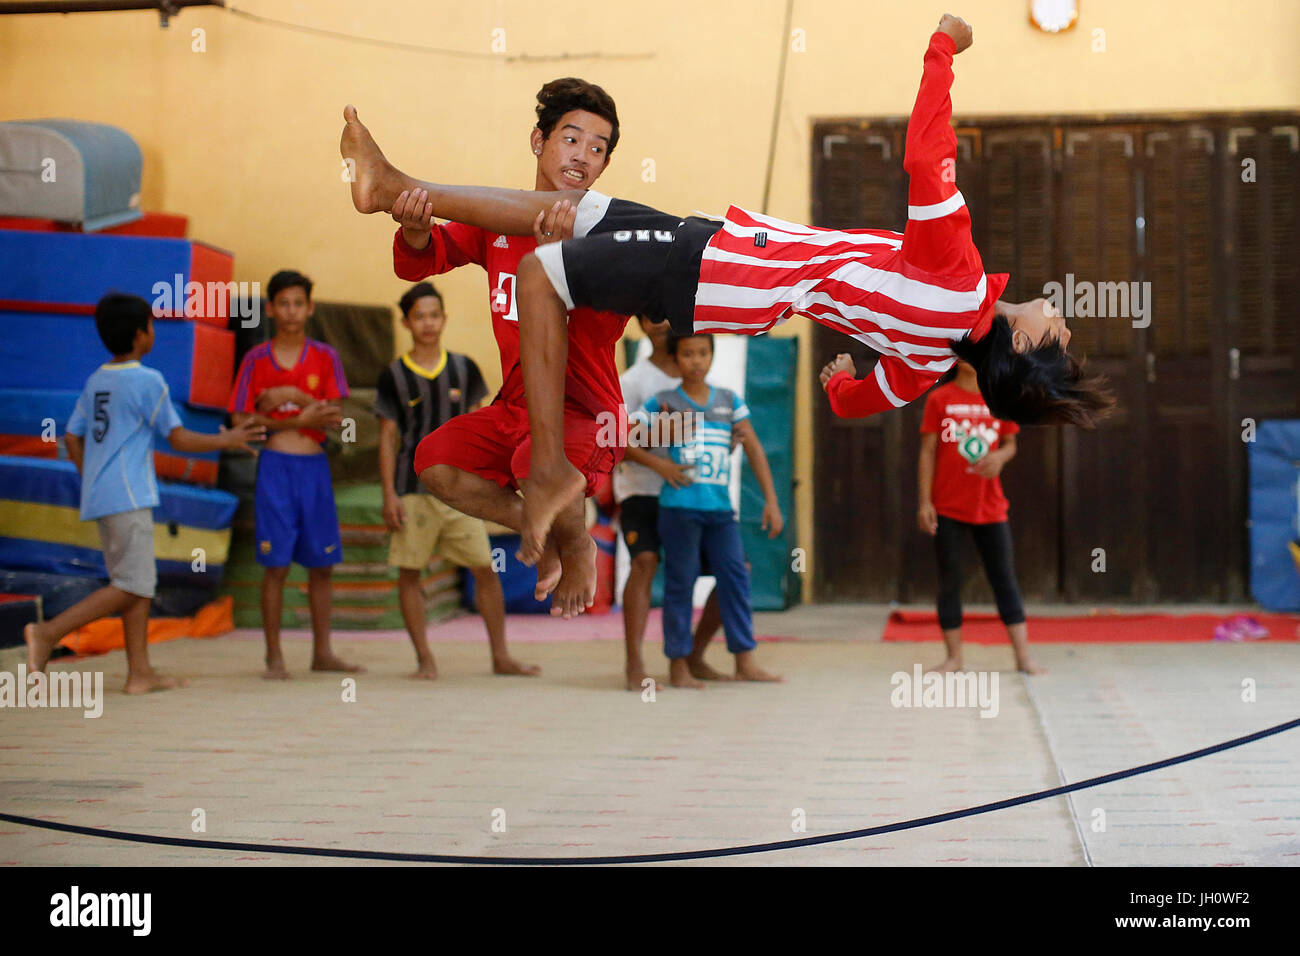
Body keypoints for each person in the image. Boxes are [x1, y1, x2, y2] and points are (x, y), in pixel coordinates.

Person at [339, 12, 1113, 583]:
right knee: (566, 219)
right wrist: (840, 381)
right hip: (731, 263)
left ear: (1021, 342)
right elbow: (858, 399)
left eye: (1062, 339)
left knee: (542, 271)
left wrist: (943, 48)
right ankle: (397, 188)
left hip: (731, 268)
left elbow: (926, 154)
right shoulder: (931, 359)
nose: (1065, 323)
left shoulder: (958, 276)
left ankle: (546, 473)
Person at [389, 78, 628, 621]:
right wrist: (417, 230)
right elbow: (421, 261)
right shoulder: (497, 221)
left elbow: (603, 328)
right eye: (572, 138)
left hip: (585, 413)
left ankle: (578, 544)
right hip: (516, 406)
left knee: (532, 461)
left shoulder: (605, 236)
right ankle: (540, 528)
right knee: (434, 463)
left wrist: (559, 264)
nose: (584, 156)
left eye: (598, 148)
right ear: (537, 141)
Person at [23, 293, 263, 692]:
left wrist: (91, 479)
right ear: (141, 335)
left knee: (134, 580)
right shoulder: (148, 380)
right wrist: (230, 439)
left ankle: (140, 673)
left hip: (102, 496)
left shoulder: (97, 380)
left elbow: (71, 435)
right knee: (132, 584)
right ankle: (48, 632)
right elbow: (180, 439)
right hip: (130, 495)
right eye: (152, 325)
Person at [376, 281, 538, 679]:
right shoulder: (394, 375)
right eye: (419, 317)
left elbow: (485, 429)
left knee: (485, 567)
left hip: (463, 491)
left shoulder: (464, 369)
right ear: (407, 322)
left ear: (443, 319)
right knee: (410, 573)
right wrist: (389, 496)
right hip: (412, 491)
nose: (428, 323)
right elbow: (386, 438)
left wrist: (494, 482)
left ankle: (501, 656)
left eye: (434, 315)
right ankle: (424, 659)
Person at [229, 269, 360, 679]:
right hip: (275, 469)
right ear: (270, 309)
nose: (290, 311)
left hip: (314, 470)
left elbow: (336, 419)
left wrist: (290, 397)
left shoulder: (325, 357)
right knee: (276, 566)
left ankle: (323, 652)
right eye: (282, 303)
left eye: (298, 303)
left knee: (322, 566)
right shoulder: (254, 359)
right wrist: (300, 418)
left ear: (310, 308)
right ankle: (274, 657)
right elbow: (241, 420)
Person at [633, 332, 784, 687]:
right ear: (676, 359)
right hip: (679, 510)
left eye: (703, 353)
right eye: (688, 354)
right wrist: (661, 466)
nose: (696, 361)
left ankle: (744, 660)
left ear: (712, 357)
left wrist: (771, 502)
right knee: (680, 585)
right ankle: (678, 665)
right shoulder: (665, 401)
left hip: (719, 513)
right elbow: (626, 439)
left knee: (735, 577)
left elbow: (755, 449)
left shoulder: (729, 401)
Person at [616, 315, 728, 690]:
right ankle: (634, 663)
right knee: (645, 562)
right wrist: (659, 461)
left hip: (692, 497)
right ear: (639, 325)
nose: (661, 323)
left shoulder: (703, 382)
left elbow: (715, 432)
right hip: (642, 491)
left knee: (733, 570)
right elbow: (618, 441)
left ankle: (692, 655)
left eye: (667, 314)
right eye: (651, 317)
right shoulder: (632, 381)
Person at [918, 359, 1041, 674]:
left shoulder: (999, 396)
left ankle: (1023, 658)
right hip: (947, 506)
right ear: (956, 357)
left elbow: (1011, 443)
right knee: (949, 581)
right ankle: (954, 658)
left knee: (1004, 579)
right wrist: (924, 502)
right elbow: (927, 451)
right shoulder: (939, 399)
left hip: (990, 506)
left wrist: (999, 456)